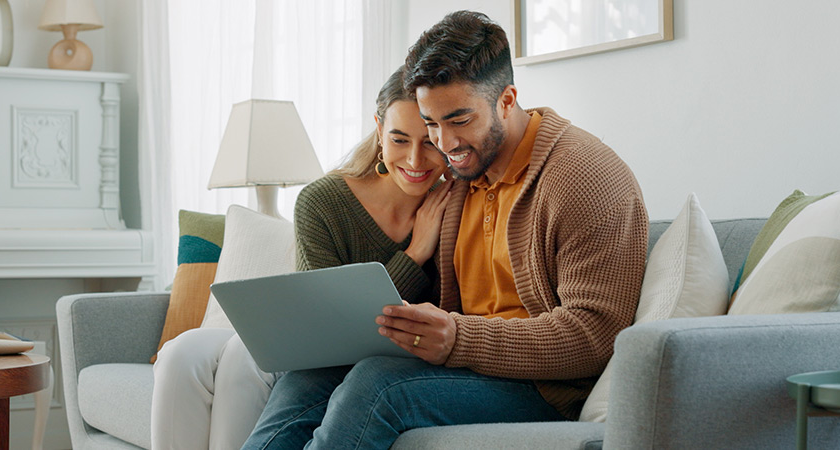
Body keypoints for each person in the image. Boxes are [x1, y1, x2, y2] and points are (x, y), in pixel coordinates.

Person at [243, 10, 648, 450]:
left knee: (377, 384)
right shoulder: (463, 176)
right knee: (307, 380)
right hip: (468, 366)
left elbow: (596, 335)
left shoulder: (583, 176)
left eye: (459, 120)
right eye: (431, 122)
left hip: (544, 387)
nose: (444, 143)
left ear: (507, 100)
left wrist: (459, 337)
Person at [150, 67, 452, 450]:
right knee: (183, 354)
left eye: (429, 142)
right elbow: (329, 332)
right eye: (399, 139)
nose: (415, 158)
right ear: (379, 130)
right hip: (317, 352)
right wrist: (414, 254)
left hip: (384, 362)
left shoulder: (453, 206)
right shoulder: (323, 202)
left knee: (244, 360)